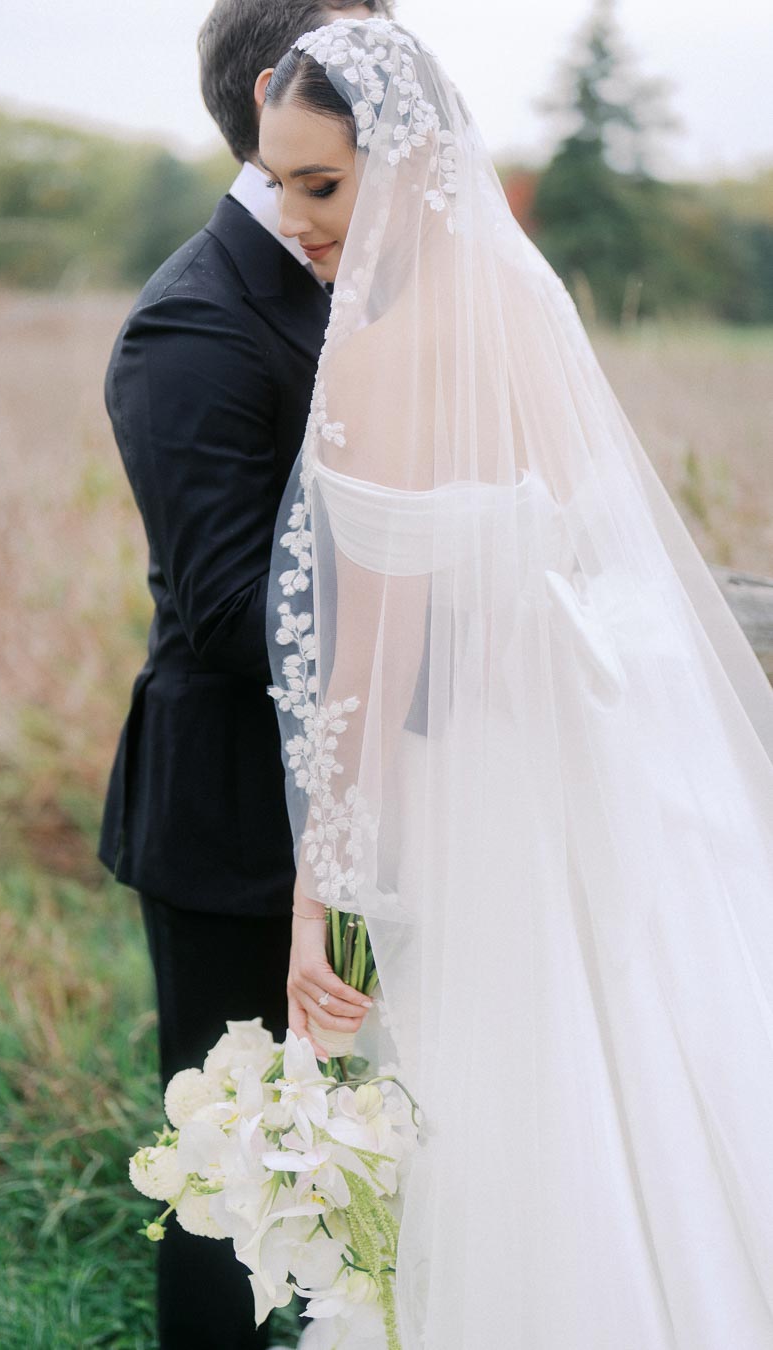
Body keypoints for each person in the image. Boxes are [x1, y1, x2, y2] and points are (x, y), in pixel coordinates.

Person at [260, 16, 773, 1348]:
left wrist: (315, 900)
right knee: (671, 1086)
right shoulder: (529, 307)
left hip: (495, 796)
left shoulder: (374, 360)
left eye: (322, 185)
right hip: (627, 776)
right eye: (278, 184)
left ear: (412, 161)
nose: (294, 219)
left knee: (518, 1129)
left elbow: (360, 687)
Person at [97, 3, 391, 1346]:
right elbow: (227, 609)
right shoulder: (195, 322)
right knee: (238, 1181)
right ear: (280, 90)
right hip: (231, 825)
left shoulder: (375, 278)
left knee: (360, 1159)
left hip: (368, 810)